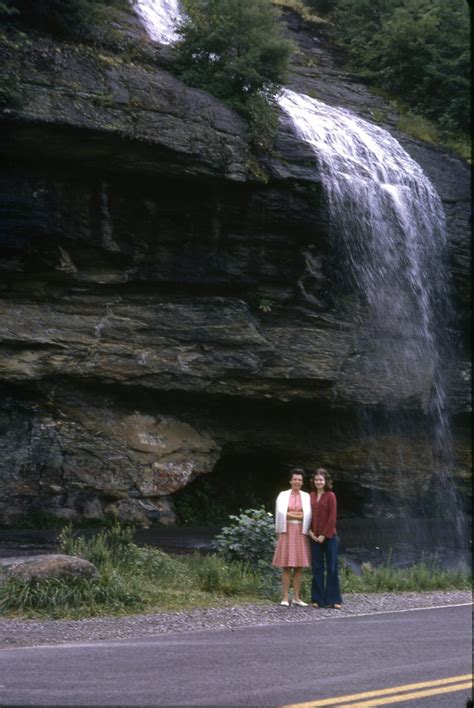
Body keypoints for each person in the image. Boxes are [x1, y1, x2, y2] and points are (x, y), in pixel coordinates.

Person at [272, 468, 312, 606]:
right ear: (290, 480)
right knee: (286, 566)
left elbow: (308, 515)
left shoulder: (306, 496)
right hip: (287, 530)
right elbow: (282, 513)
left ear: (302, 482)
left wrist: (291, 514)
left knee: (299, 567)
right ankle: (284, 597)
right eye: (295, 479)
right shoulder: (283, 495)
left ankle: (296, 597)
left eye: (299, 480)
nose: (297, 482)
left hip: (301, 532)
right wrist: (298, 515)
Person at [308, 468, 342, 609]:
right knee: (317, 567)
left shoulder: (331, 496)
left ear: (326, 481)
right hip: (313, 536)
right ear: (313, 481)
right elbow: (307, 515)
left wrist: (323, 535)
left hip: (329, 537)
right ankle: (317, 599)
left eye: (321, 480)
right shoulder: (310, 496)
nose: (319, 482)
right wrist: (310, 532)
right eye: (316, 480)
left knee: (332, 567)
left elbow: (332, 517)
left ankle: (334, 600)